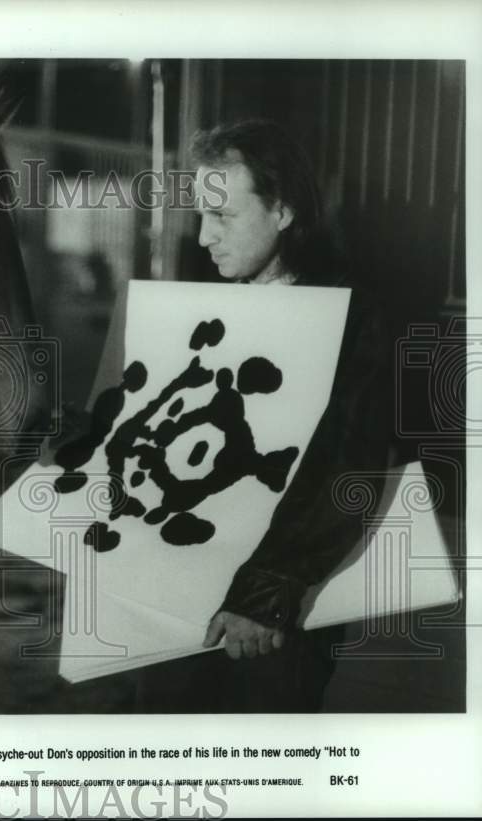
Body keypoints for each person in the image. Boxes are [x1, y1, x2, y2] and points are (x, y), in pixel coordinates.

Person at [134, 119, 392, 711]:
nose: (203, 238)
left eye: (223, 217)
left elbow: (346, 474)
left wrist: (265, 597)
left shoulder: (348, 317)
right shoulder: (204, 305)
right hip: (172, 598)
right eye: (202, 215)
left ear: (283, 211)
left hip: (272, 615)